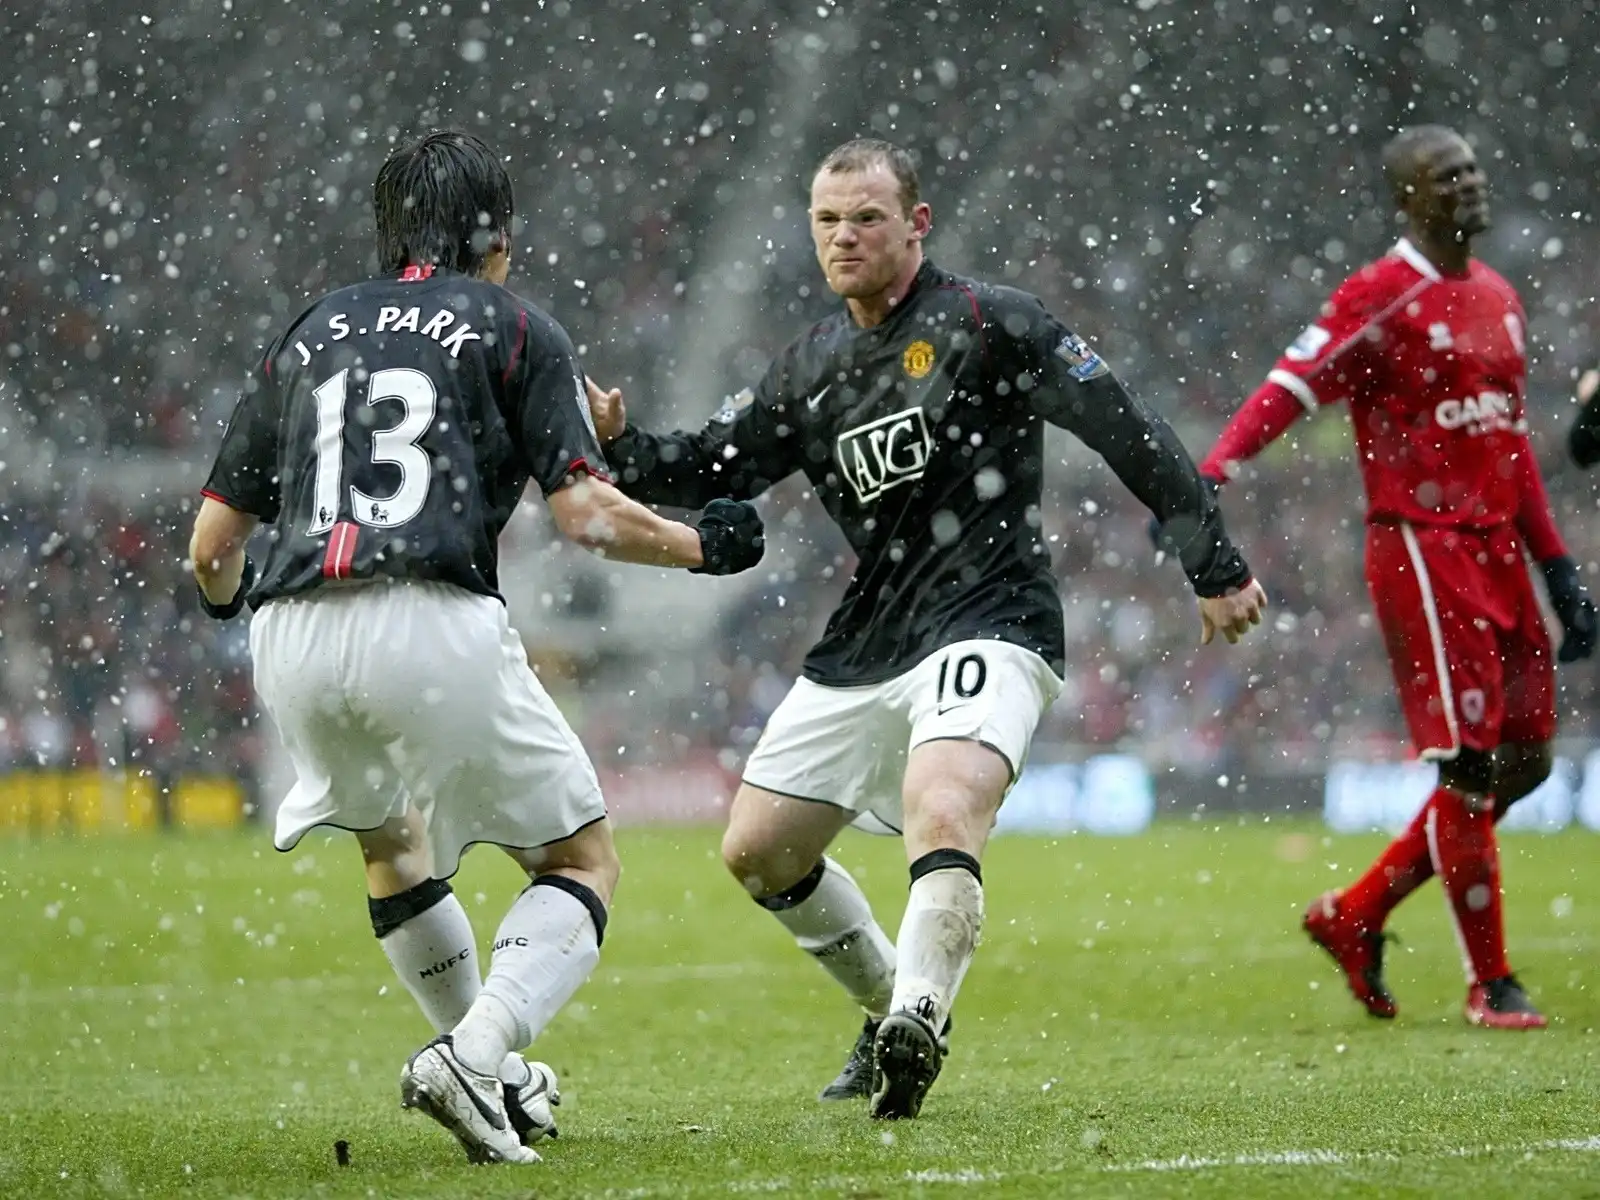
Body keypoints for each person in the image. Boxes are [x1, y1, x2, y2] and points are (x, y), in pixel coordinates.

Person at [584, 137, 1267, 1120]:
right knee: (757, 851)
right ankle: (885, 1009)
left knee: (942, 807)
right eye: (827, 220)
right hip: (870, 635)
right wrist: (623, 447)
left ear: (916, 224)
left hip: (992, 615)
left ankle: (919, 1015)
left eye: (866, 217)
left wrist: (1212, 560)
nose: (844, 236)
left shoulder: (993, 323)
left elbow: (1127, 428)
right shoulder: (811, 366)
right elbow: (709, 464)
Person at [189, 129, 766, 1164]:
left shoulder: (314, 329)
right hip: (428, 613)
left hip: (290, 629)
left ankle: (486, 1080)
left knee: (390, 848)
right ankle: (478, 1052)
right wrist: (704, 545)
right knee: (580, 858)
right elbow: (587, 518)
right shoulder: (513, 324)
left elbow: (209, 549)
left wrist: (233, 606)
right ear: (496, 238)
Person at [1196, 124, 1596, 1030]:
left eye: (1474, 168)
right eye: (1447, 176)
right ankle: (1491, 983)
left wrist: (1559, 567)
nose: (1469, 184)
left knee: (1526, 762)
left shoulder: (1498, 296)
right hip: (1424, 547)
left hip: (1499, 550)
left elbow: (1509, 443)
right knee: (1470, 768)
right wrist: (1213, 474)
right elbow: (1293, 382)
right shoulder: (1380, 294)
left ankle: (1357, 912)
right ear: (1408, 197)